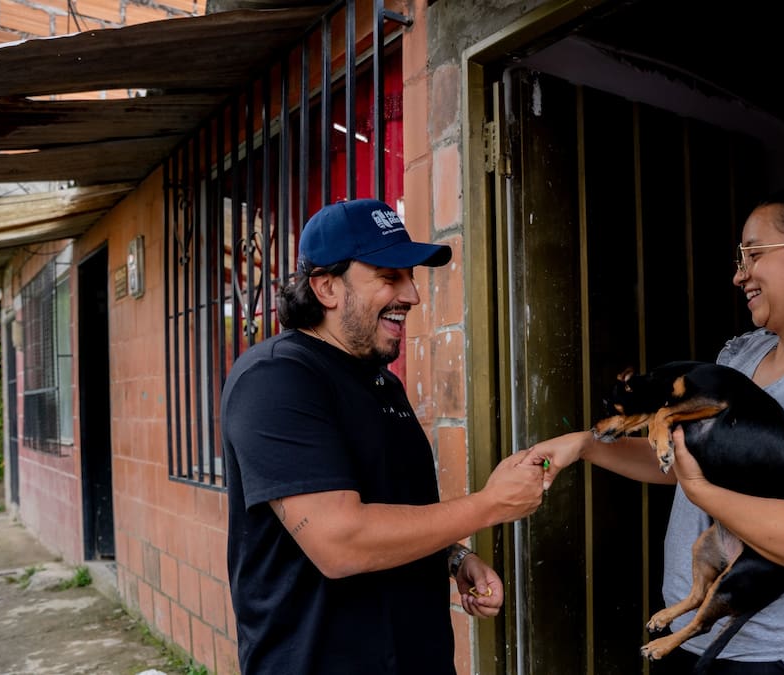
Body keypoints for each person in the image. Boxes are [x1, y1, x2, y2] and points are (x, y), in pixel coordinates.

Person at [527, 186, 784, 674]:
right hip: (688, 639)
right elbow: (680, 457)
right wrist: (585, 445)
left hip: (776, 656)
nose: (739, 274)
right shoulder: (743, 354)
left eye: (753, 254)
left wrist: (699, 490)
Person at [221, 198, 544, 674]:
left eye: (410, 276)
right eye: (389, 276)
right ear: (327, 286)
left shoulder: (380, 381)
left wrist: (453, 558)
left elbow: (392, 504)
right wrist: (492, 504)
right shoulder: (276, 379)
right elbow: (340, 542)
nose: (412, 294)